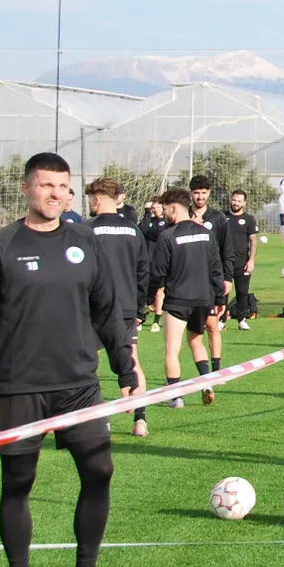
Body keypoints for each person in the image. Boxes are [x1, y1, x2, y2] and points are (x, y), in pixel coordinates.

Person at [0, 152, 140, 567]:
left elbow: (108, 312)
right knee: (19, 482)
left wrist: (126, 369)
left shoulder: (85, 241)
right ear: (26, 189)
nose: (56, 195)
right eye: (46, 186)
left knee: (99, 472)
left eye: (64, 187)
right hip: (19, 387)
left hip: (79, 382)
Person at [87, 178, 151, 438]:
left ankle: (101, 420)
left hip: (92, 308)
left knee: (89, 363)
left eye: (91, 198)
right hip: (125, 308)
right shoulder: (133, 231)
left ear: (98, 199)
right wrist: (139, 310)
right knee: (132, 358)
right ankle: (141, 420)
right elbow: (143, 272)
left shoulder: (85, 230)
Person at [151, 186, 225, 409]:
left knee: (172, 349)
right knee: (196, 341)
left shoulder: (167, 236)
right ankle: (206, 384)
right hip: (203, 299)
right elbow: (216, 268)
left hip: (177, 301)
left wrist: (150, 297)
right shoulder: (206, 233)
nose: (164, 214)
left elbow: (158, 272)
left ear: (174, 208)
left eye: (165, 209)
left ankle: (176, 397)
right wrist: (220, 298)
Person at [188, 176, 229, 367]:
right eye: (196, 193)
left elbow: (227, 250)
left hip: (211, 279)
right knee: (188, 331)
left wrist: (227, 278)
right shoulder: (184, 215)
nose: (200, 197)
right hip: (187, 279)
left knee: (212, 325)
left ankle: (216, 369)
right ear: (191, 194)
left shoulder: (218, 218)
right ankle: (173, 374)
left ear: (209, 193)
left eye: (204, 193)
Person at [225, 188, 259, 331]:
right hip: (224, 261)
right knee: (223, 291)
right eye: (234, 200)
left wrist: (251, 261)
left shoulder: (248, 219)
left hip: (242, 262)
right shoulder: (222, 217)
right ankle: (221, 319)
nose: (236, 203)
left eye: (239, 201)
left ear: (244, 203)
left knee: (242, 292)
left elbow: (253, 241)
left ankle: (242, 320)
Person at [136, 198, 169, 333]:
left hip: (160, 261)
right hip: (147, 260)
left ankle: (156, 321)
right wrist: (147, 213)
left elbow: (158, 234)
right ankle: (140, 317)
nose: (155, 210)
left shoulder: (166, 222)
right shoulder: (149, 219)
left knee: (160, 291)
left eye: (157, 207)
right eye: (153, 207)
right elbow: (141, 230)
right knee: (144, 290)